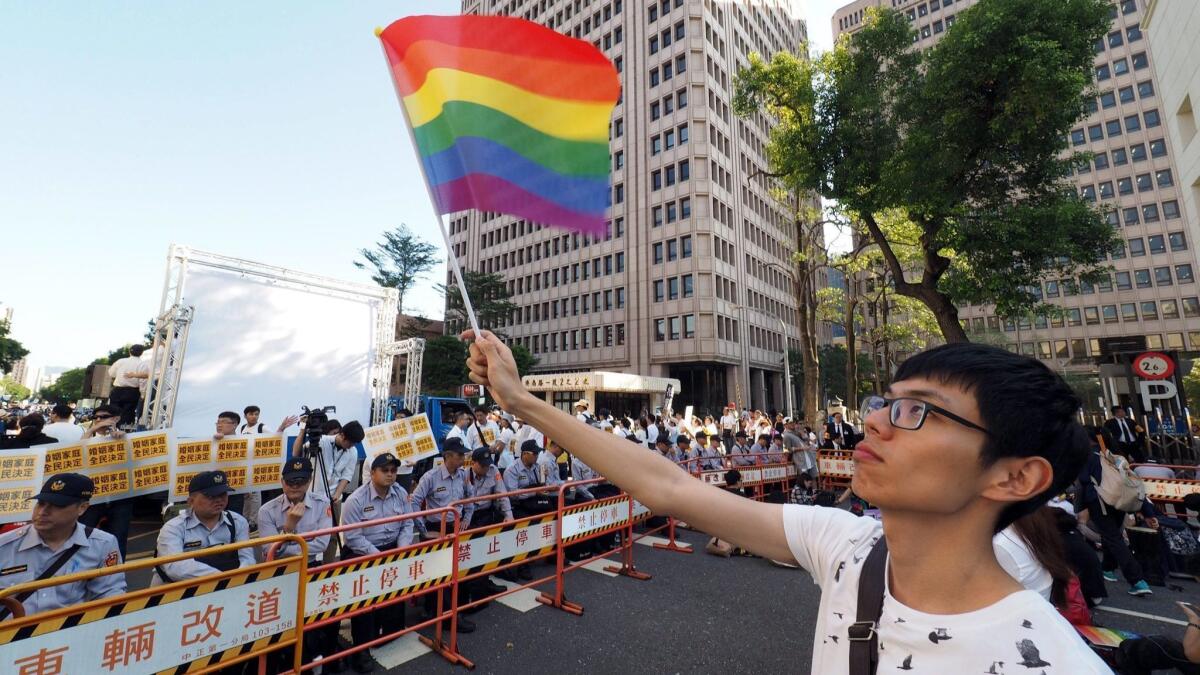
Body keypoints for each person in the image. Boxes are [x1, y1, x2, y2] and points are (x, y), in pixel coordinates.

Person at [462, 331, 1110, 672]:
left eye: (917, 411)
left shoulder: (1052, 661)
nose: (876, 423)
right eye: (883, 402)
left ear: (1015, 477)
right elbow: (671, 488)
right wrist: (519, 400)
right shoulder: (850, 547)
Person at [0, 473, 126, 620]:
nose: (42, 512)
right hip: (10, 637)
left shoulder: (102, 544)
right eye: (40, 503)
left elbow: (110, 596)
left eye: (56, 506)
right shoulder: (5, 546)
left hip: (69, 635)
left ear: (82, 508)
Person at [256, 458, 338, 672]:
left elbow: (321, 544)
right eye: (290, 481)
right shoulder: (267, 510)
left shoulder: (322, 504)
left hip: (311, 567)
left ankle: (315, 658)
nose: (295, 486)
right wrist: (289, 529)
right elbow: (268, 551)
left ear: (309, 481)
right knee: (280, 619)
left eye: (300, 481)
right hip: (280, 573)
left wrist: (284, 543)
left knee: (317, 614)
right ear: (283, 482)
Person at [341, 453, 418, 671]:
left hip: (392, 548)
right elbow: (353, 537)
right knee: (364, 597)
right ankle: (361, 650)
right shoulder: (356, 499)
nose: (390, 475)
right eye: (385, 470)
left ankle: (389, 631)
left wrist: (402, 549)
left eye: (393, 471)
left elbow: (406, 524)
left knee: (393, 590)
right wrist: (380, 556)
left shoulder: (401, 493)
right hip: (362, 552)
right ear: (372, 473)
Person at [1078, 429, 1157, 596]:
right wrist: (1148, 512)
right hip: (1120, 501)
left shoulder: (1088, 458)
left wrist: (1079, 507)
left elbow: (1083, 481)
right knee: (1112, 535)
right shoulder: (1117, 458)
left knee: (1113, 538)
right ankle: (1108, 568)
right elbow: (1132, 484)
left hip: (1100, 502)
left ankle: (1137, 580)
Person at [152, 470, 254, 586]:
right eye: (210, 496)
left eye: (222, 494)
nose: (219, 500)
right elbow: (175, 567)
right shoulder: (173, 528)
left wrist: (239, 578)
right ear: (191, 501)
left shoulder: (238, 522)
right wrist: (222, 578)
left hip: (227, 588)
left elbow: (247, 558)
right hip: (176, 591)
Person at [297, 418, 361, 562]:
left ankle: (329, 565)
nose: (351, 446)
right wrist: (302, 428)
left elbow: (347, 474)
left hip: (333, 498)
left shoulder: (352, 451)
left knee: (332, 535)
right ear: (342, 435)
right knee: (305, 534)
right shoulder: (322, 441)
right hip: (311, 495)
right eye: (350, 442)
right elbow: (297, 453)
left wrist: (338, 494)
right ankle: (304, 563)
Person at [77, 404, 136, 557]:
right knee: (82, 535)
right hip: (93, 498)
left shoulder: (127, 437)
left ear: (116, 418)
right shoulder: (87, 437)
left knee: (118, 539)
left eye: (103, 417)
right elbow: (77, 454)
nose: (98, 420)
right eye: (95, 417)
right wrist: (91, 431)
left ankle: (115, 575)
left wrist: (123, 440)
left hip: (120, 498)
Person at [108, 344, 149, 427]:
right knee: (128, 415)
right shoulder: (143, 364)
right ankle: (125, 434)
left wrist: (120, 375)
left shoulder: (120, 361)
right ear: (141, 353)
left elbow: (111, 373)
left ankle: (111, 432)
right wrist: (143, 393)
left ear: (129, 351)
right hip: (132, 392)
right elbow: (143, 381)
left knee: (113, 413)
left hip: (117, 390)